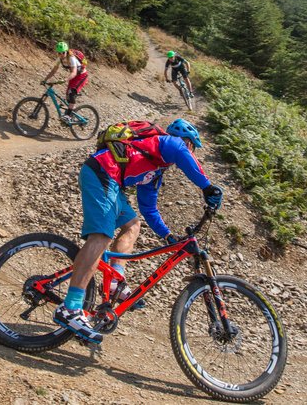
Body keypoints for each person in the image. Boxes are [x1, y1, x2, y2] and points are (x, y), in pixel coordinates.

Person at [53, 119, 224, 344]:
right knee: (102, 236)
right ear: (185, 140)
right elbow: (181, 151)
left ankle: (115, 280)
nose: (192, 153)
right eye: (192, 147)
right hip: (102, 172)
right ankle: (71, 307)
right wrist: (207, 186)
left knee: (133, 225)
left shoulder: (154, 169)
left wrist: (167, 236)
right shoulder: (167, 142)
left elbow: (149, 208)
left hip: (111, 181)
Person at [41, 41, 89, 123]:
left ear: (66, 51)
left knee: (71, 93)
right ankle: (70, 114)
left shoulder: (71, 58)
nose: (60, 55)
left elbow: (74, 72)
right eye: (58, 53)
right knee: (67, 97)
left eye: (62, 53)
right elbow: (54, 70)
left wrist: (65, 80)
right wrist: (45, 79)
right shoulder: (60, 59)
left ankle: (69, 116)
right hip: (74, 76)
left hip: (82, 76)